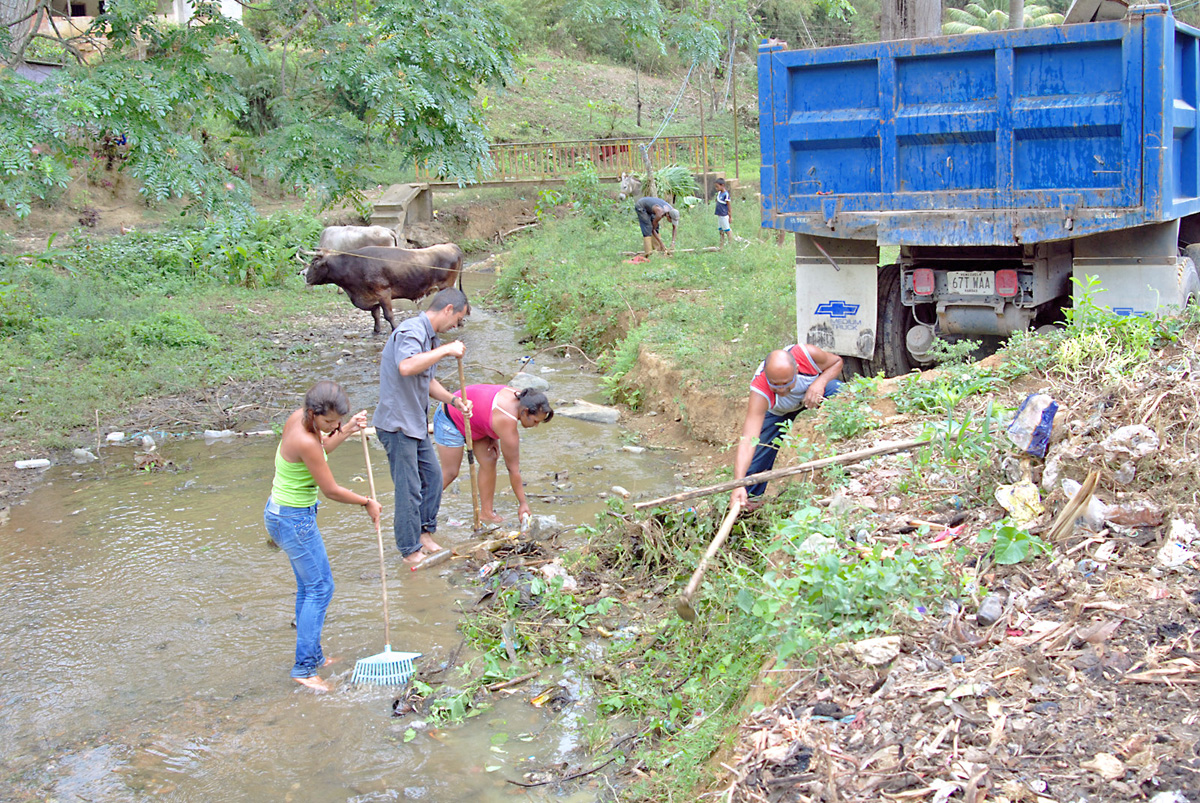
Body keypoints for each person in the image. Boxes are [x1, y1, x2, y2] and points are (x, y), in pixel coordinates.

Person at [264, 380, 382, 692]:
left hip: (282, 513)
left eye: (338, 421)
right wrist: (367, 502)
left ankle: (313, 656)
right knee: (321, 588)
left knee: (309, 586)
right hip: (293, 519)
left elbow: (323, 447)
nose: (334, 426)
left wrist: (347, 430)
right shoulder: (304, 439)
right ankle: (303, 668)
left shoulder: (300, 419)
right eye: (329, 422)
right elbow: (330, 490)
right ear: (313, 414)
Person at [372, 287, 471, 566]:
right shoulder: (411, 331)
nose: (455, 326)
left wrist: (454, 400)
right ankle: (408, 548)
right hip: (397, 424)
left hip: (414, 422)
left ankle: (425, 533)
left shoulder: (429, 339)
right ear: (448, 309)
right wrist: (445, 351)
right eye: (457, 320)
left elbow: (425, 381)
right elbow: (406, 366)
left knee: (434, 478)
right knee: (409, 488)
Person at [731, 344, 845, 513]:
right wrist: (738, 484)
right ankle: (748, 507)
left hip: (813, 393)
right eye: (775, 385)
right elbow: (748, 440)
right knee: (754, 467)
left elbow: (837, 362)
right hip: (778, 412)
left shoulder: (808, 356)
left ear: (796, 370)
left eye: (786, 383)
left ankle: (844, 450)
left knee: (839, 390)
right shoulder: (760, 390)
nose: (782, 389)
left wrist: (820, 382)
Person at [433, 385, 554, 524]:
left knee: (490, 459)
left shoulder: (523, 399)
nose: (536, 425)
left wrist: (492, 435)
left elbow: (488, 410)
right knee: (450, 472)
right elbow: (513, 469)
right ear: (525, 412)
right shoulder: (506, 419)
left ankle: (486, 513)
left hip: (475, 420)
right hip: (451, 417)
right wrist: (523, 504)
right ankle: (421, 508)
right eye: (535, 421)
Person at [714, 177, 732, 248]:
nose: (716, 188)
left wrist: (730, 216)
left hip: (724, 215)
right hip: (719, 215)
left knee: (727, 230)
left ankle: (730, 245)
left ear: (722, 185)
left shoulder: (726, 194)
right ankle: (721, 245)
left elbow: (729, 206)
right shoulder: (719, 193)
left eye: (717, 186)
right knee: (721, 231)